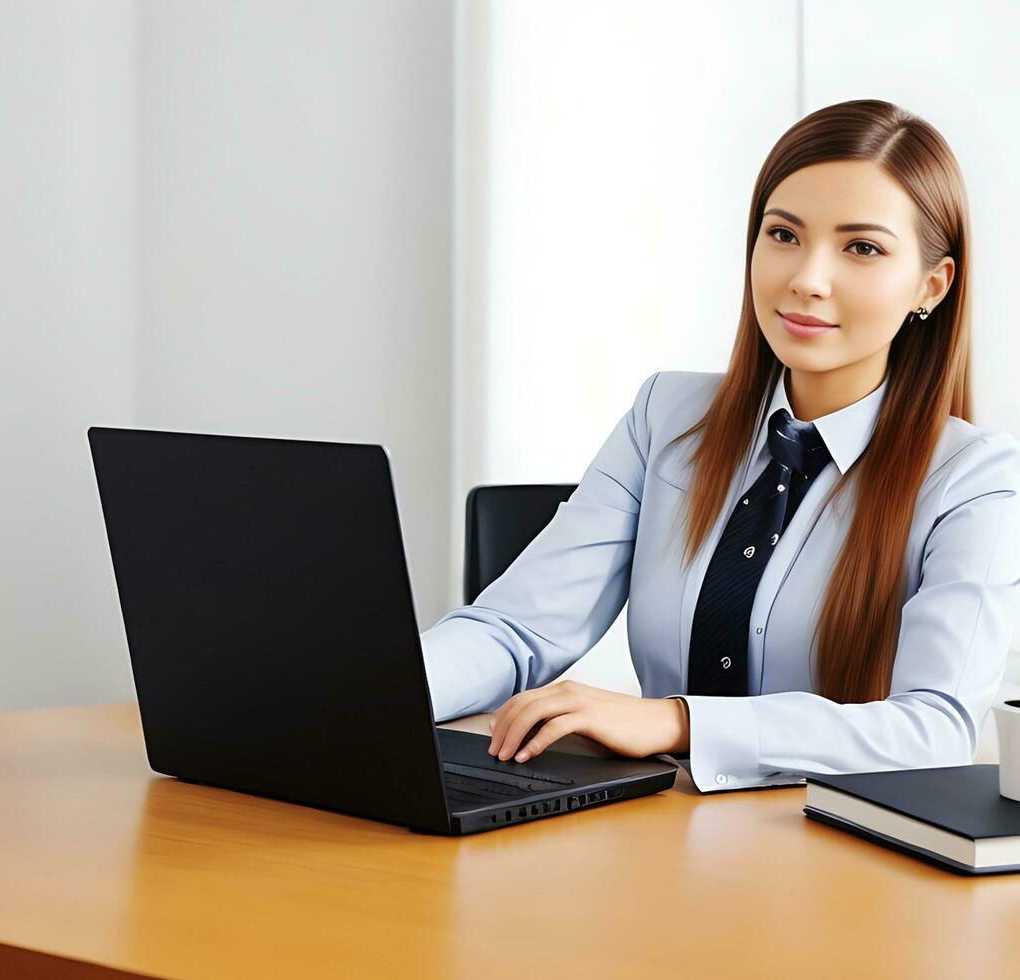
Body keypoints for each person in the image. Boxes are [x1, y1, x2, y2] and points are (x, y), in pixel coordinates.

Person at [419, 98, 1020, 793]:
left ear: (931, 284)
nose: (806, 278)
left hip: (836, 864)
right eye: (784, 234)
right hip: (653, 837)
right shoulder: (666, 416)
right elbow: (513, 630)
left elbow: (933, 728)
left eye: (862, 247)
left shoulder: (973, 480)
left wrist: (679, 722)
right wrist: (365, 696)